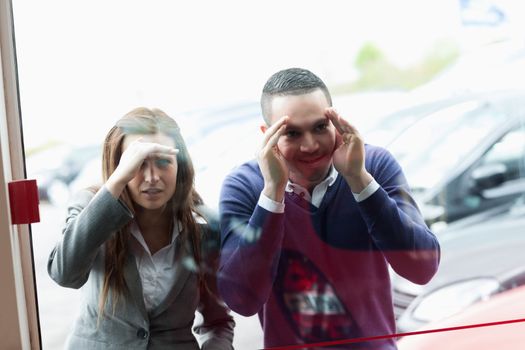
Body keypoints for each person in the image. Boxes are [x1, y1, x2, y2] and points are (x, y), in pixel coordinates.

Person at [218, 68, 440, 349]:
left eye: (320, 127)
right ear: (268, 136)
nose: (310, 145)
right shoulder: (245, 186)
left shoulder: (373, 165)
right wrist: (273, 193)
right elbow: (242, 300)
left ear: (336, 119)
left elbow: (422, 268)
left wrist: (359, 180)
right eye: (292, 133)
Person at [48, 107, 235, 350]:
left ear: (180, 166)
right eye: (138, 163)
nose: (152, 177)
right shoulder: (90, 207)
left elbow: (217, 320)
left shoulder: (203, 227)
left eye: (163, 161)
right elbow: (65, 274)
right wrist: (115, 183)